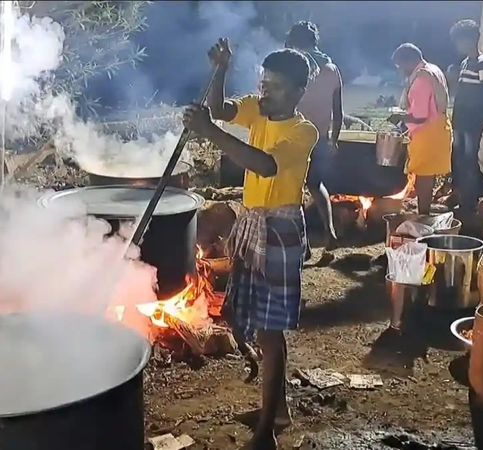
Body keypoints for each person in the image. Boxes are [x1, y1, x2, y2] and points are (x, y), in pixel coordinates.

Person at [183, 39, 317, 450]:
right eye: (263, 83)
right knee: (254, 323)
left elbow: (265, 164)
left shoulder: (302, 131)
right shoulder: (256, 110)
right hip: (252, 224)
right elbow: (220, 109)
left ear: (297, 92)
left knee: (271, 331)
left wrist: (209, 133)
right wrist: (221, 69)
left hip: (279, 231)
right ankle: (275, 409)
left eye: (275, 86)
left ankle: (267, 433)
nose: (264, 92)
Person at [284, 21, 343, 266]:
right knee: (316, 185)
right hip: (320, 136)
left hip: (295, 136)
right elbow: (338, 110)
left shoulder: (295, 68)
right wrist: (334, 138)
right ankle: (329, 233)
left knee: (293, 189)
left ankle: (305, 245)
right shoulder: (331, 68)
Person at [388, 43, 452, 215]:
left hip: (427, 133)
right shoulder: (432, 69)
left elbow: (420, 116)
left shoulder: (421, 80)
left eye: (400, 66)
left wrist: (400, 117)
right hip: (438, 128)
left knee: (423, 177)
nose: (400, 71)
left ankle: (424, 215)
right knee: (427, 176)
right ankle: (425, 211)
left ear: (408, 61)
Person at [449, 19, 483, 226]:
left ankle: (469, 203)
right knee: (458, 158)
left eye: (460, 41)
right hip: (460, 121)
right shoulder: (465, 63)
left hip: (472, 123)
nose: (457, 45)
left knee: (469, 161)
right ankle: (459, 195)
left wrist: (479, 119)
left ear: (471, 40)